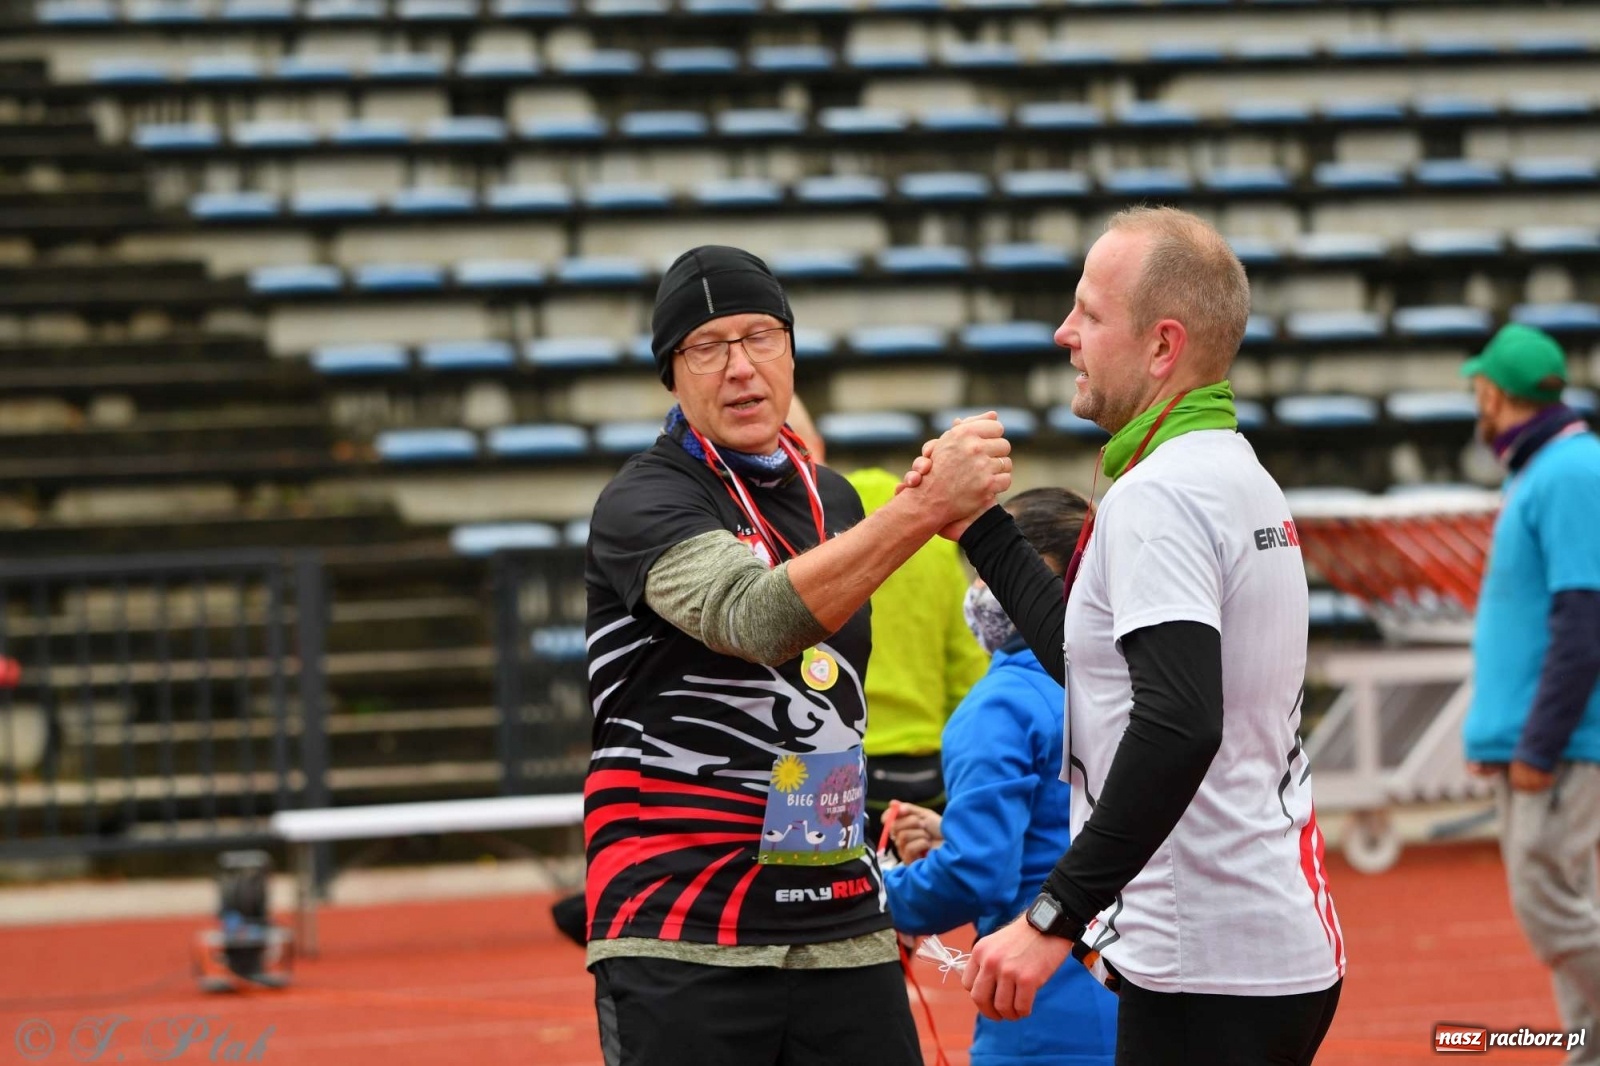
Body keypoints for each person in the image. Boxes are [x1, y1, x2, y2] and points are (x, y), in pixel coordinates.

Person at [903, 206, 1345, 1064]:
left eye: (1090, 314)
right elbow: (1097, 663)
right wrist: (982, 529)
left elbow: (1180, 722)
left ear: (1162, 346)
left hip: (1207, 960)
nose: (1065, 332)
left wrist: (1050, 919)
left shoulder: (1161, 495)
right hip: (1262, 940)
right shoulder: (1229, 468)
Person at [581, 244, 1012, 1066]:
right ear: (670, 375)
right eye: (707, 348)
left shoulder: (838, 498)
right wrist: (922, 509)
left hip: (837, 916)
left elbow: (823, 705)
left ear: (791, 351)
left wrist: (876, 821)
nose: (740, 367)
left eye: (760, 337)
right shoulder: (646, 498)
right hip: (685, 923)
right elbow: (755, 619)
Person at [885, 487, 1118, 1066]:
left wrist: (869, 896)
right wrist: (952, 831)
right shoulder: (1125, 683)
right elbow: (1065, 824)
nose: (976, 589)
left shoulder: (1000, 706)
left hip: (1039, 1005)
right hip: (1131, 983)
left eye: (985, 568)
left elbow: (978, 875)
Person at [1461, 322, 1600, 1063]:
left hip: (1564, 745)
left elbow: (1584, 622)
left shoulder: (1570, 472)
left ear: (1497, 392)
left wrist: (1538, 743)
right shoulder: (1546, 469)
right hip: (1550, 740)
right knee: (1575, 912)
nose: (1474, 399)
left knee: (1550, 915)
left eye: (1479, 387)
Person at [786, 396, 991, 842]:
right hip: (928, 774)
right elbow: (968, 667)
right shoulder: (923, 526)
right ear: (817, 444)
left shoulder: (787, 541)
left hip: (826, 771)